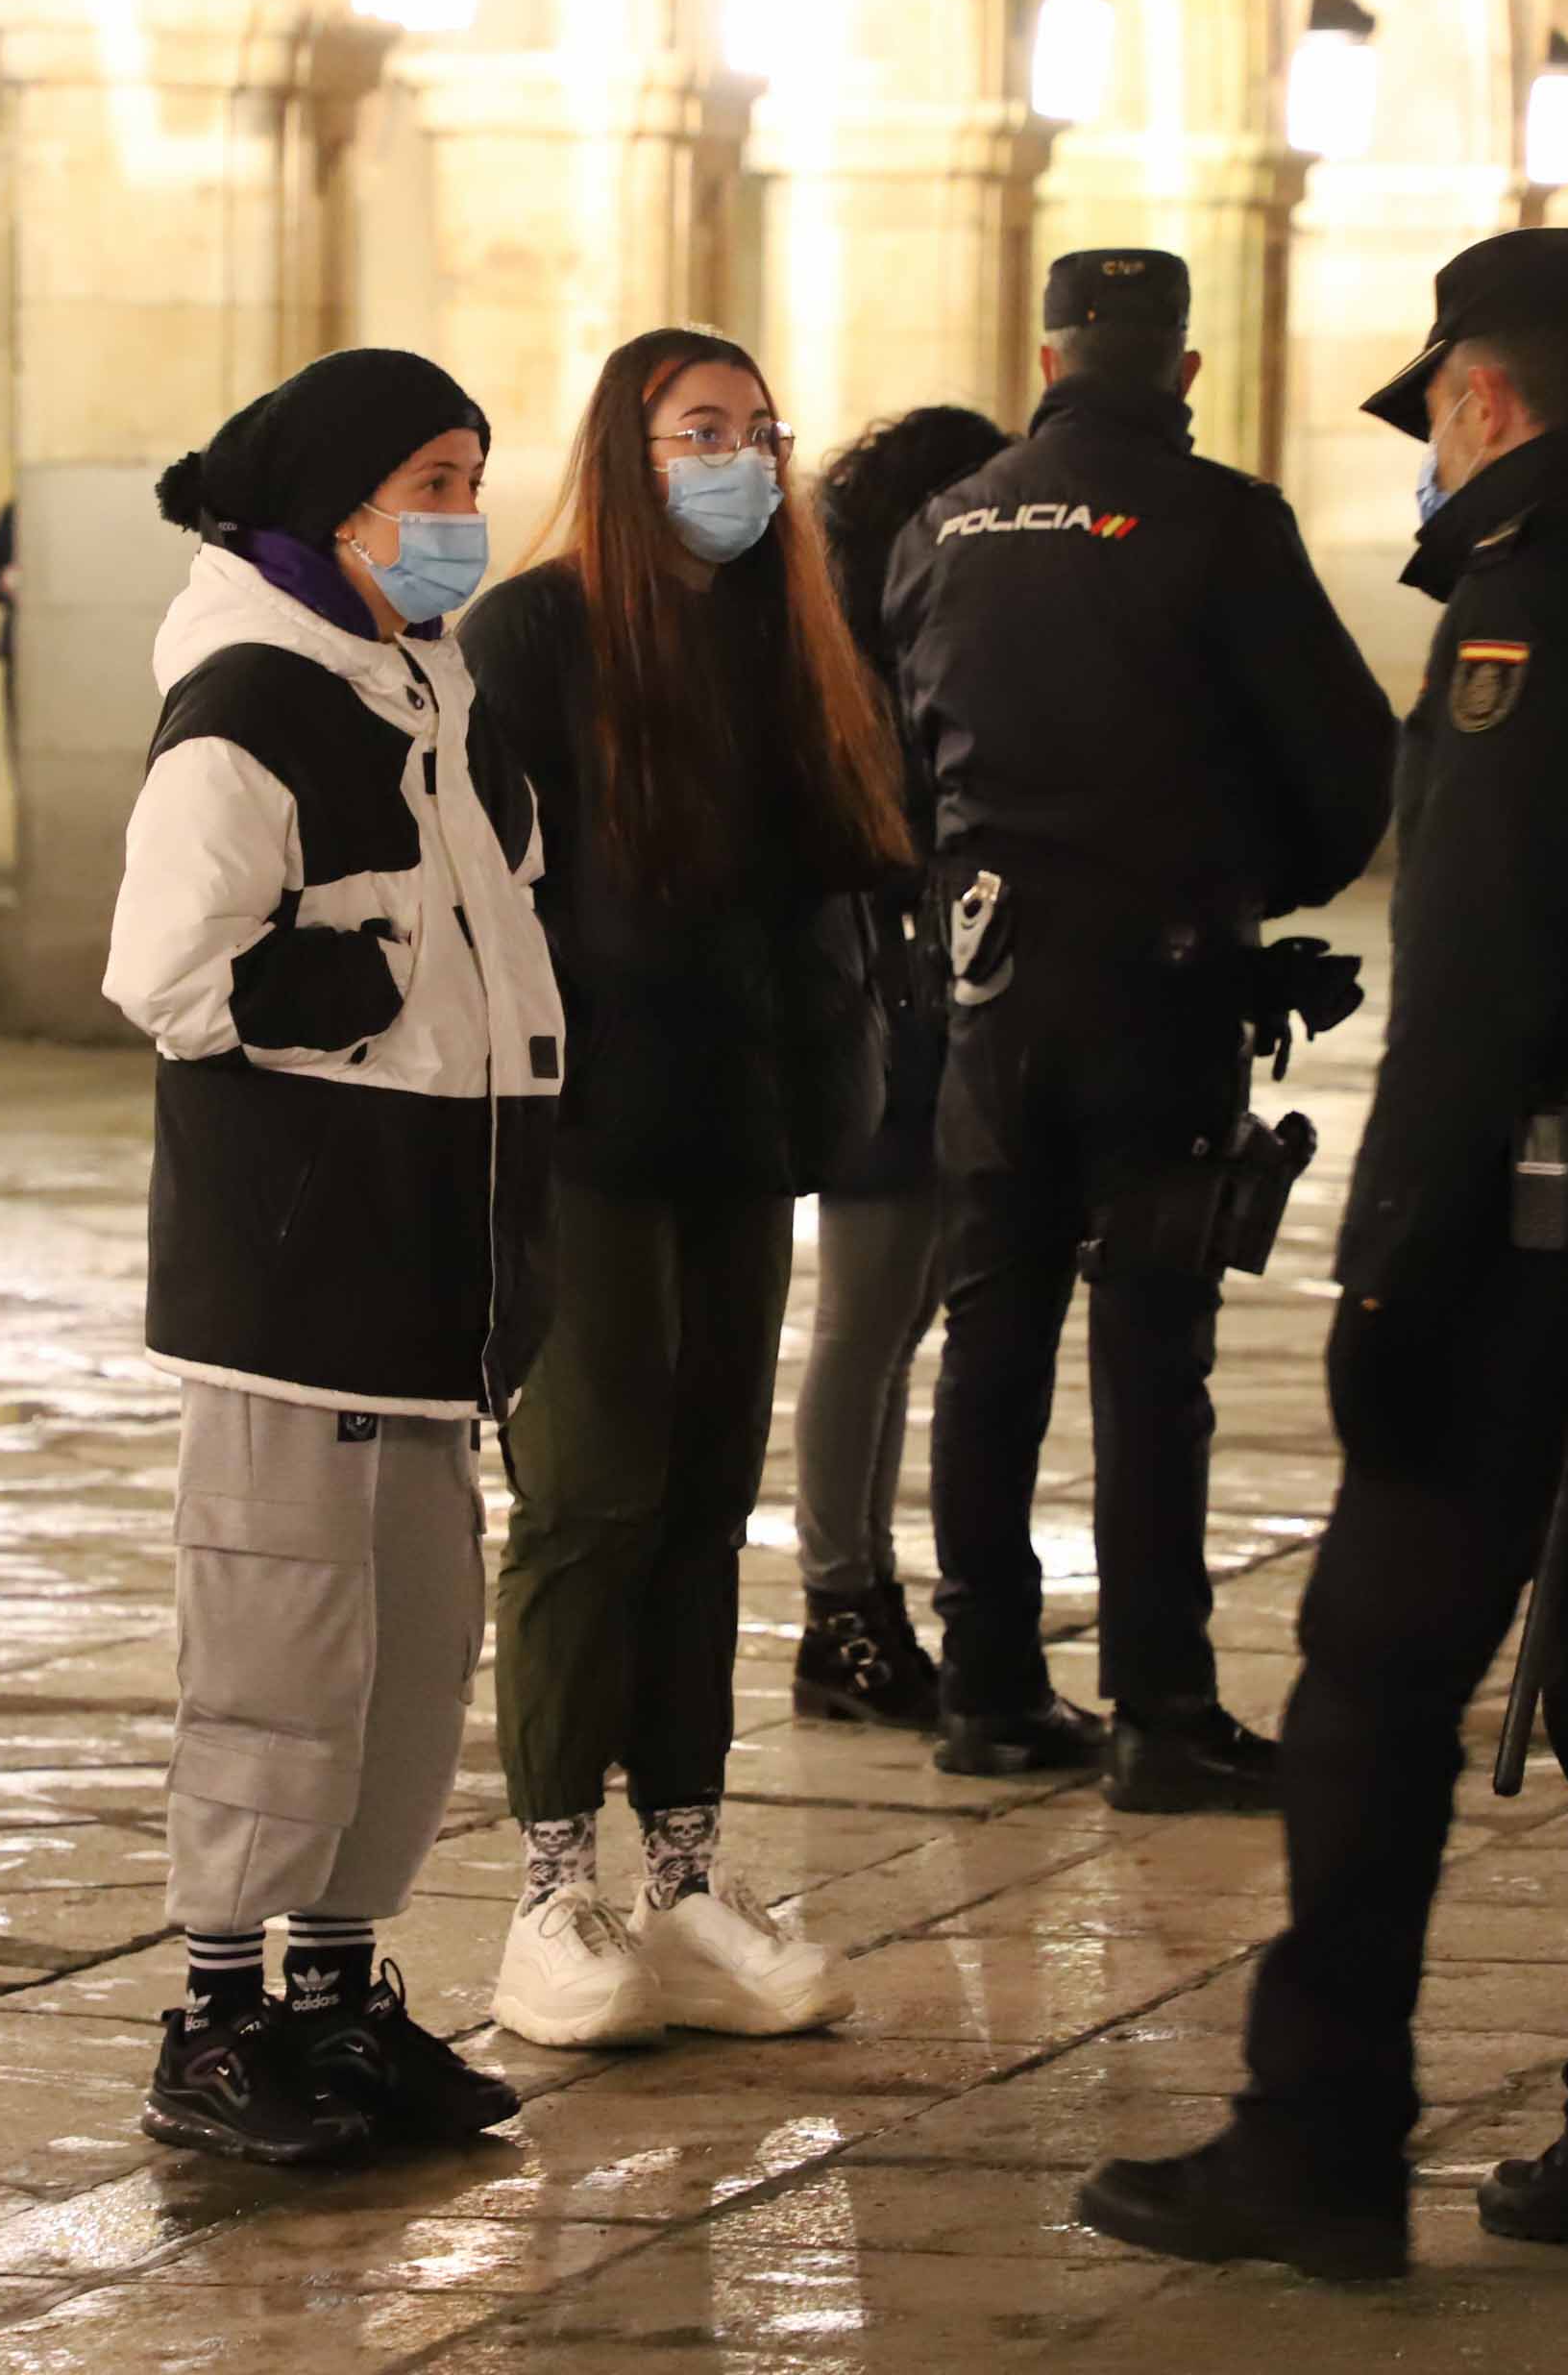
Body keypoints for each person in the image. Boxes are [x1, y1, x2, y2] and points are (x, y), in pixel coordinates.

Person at [1077, 228, 1568, 2281]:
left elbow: (1481, 981)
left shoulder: (1534, 605)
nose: (1427, 454)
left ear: (1482, 398)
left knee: (1370, 1680)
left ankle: (1316, 2140)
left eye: (1433, 415)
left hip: (1544, 1231)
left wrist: (1383, 1277)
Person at [102, 347, 565, 2166]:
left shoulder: (429, 693)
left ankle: (340, 1996)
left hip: (434, 1262)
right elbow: (168, 971)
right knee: (283, 1647)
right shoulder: (250, 701)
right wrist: (362, 983)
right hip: (303, 1266)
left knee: (414, 1646)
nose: (461, 517)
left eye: (470, 477)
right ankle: (215, 2016)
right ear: (336, 507)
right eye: (431, 483)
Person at [881, 249, 1399, 1814]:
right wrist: (1256, 886)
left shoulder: (942, 523)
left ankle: (983, 1688)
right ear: (1181, 369)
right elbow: (1344, 748)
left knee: (990, 1334)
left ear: (1047, 358)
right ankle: (1161, 1710)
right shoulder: (1222, 522)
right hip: (1159, 978)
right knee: (1153, 1345)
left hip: (986, 978)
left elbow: (897, 738)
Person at [460, 327, 916, 2049]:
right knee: (591, 1494)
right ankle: (549, 1889)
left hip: (744, 1137)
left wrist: (834, 1100)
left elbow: (834, 894)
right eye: (698, 431)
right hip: (583, 1141)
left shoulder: (792, 637)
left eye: (757, 431)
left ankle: (688, 1872)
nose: (739, 461)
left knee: (713, 1499)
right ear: (628, 452)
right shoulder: (536, 633)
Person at [792, 404, 1015, 1731]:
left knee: (900, 1322)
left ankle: (863, 1595)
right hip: (886, 1012)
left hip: (940, 1007)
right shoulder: (845, 663)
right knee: (865, 1324)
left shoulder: (933, 640)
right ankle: (841, 1610)